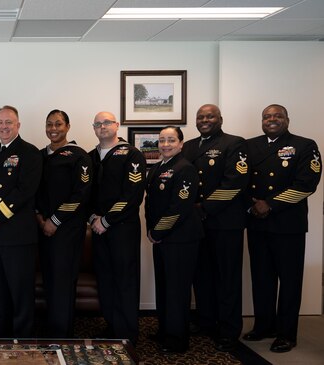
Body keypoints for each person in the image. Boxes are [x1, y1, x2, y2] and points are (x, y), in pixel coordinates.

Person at [243, 104, 321, 353]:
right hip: (257, 222)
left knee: (289, 281)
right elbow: (239, 179)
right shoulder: (249, 145)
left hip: (289, 225)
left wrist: (271, 204)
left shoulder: (305, 145)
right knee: (261, 278)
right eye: (267, 116)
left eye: (277, 116)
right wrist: (251, 205)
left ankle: (287, 333)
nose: (272, 119)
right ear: (262, 121)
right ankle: (264, 325)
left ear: (287, 119)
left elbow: (307, 184)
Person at [182, 104, 248, 351]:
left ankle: (229, 329)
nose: (204, 120)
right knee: (202, 275)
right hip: (196, 224)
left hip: (225, 223)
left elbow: (235, 182)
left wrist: (204, 207)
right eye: (200, 117)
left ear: (220, 119)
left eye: (210, 116)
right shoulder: (188, 146)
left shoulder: (234, 143)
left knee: (227, 277)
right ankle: (206, 320)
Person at [0, 105, 42, 338]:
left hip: (18, 235)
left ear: (18, 125)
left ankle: (23, 337)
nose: (4, 127)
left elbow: (24, 191)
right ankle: (1, 334)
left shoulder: (30, 153)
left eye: (9, 122)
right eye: (0, 123)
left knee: (21, 290)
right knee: (0, 290)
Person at [88, 111, 146, 345]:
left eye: (107, 123)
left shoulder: (132, 154)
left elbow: (132, 194)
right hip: (98, 227)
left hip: (121, 228)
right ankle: (111, 326)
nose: (102, 127)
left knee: (125, 280)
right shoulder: (91, 156)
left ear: (117, 125)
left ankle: (127, 333)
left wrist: (106, 220)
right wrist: (93, 217)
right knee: (106, 279)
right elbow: (88, 193)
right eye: (98, 124)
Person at [145, 126, 203, 353]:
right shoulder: (159, 167)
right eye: (162, 140)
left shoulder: (185, 168)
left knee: (177, 291)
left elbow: (179, 208)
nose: (165, 144)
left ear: (181, 143)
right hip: (162, 238)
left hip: (181, 239)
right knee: (164, 287)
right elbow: (152, 204)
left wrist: (156, 232)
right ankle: (165, 331)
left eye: (171, 140)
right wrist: (153, 230)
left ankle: (177, 340)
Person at [35, 109, 92, 338]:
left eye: (58, 124)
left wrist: (54, 221)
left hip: (66, 230)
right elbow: (35, 192)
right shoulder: (40, 155)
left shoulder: (79, 156)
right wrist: (40, 218)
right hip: (43, 229)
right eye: (49, 124)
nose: (53, 129)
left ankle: (62, 334)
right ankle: (51, 328)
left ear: (68, 126)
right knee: (49, 279)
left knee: (63, 280)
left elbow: (81, 194)